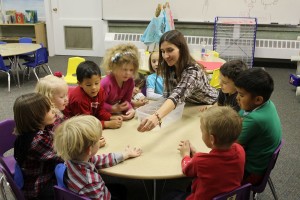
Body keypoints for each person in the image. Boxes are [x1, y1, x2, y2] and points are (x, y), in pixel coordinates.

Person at [138, 30, 218, 132]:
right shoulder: (168, 67)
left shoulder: (193, 70)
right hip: (188, 107)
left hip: (209, 106)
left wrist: (156, 117)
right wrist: (140, 111)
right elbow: (167, 96)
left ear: (181, 49)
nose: (166, 56)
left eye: (170, 50)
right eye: (163, 51)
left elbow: (177, 95)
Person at [53, 115, 142, 200]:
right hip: (101, 195)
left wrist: (124, 155)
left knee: (120, 188)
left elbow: (99, 160)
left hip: (83, 191)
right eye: (98, 140)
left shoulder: (70, 161)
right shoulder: (91, 181)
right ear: (89, 150)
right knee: (122, 189)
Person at [164, 106, 245, 200]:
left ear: (212, 139)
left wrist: (185, 154)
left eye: (202, 131)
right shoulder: (240, 150)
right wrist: (196, 153)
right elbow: (215, 163)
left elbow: (187, 169)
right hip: (229, 197)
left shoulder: (200, 161)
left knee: (168, 195)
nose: (201, 133)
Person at [234, 68, 282, 185]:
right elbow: (240, 115)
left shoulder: (255, 120)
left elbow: (229, 145)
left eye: (241, 95)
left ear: (258, 99)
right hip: (260, 164)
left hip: (251, 172)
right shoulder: (268, 104)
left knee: (208, 170)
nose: (237, 98)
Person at [13, 93, 63, 200]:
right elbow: (63, 157)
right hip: (40, 187)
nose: (54, 111)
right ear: (36, 117)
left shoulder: (35, 128)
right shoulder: (37, 140)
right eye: (49, 110)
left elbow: (59, 125)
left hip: (42, 174)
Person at [64, 60, 123, 129]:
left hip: (87, 117)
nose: (94, 88)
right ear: (80, 84)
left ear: (100, 79)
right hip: (71, 123)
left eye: (97, 83)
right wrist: (106, 124)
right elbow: (85, 124)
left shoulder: (100, 91)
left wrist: (110, 117)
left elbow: (100, 111)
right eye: (88, 85)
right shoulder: (79, 100)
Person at [100, 43, 139, 120]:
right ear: (113, 67)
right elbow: (96, 104)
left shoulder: (130, 81)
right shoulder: (106, 83)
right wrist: (112, 108)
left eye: (131, 70)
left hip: (111, 112)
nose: (128, 73)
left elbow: (126, 101)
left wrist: (130, 110)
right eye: (124, 69)